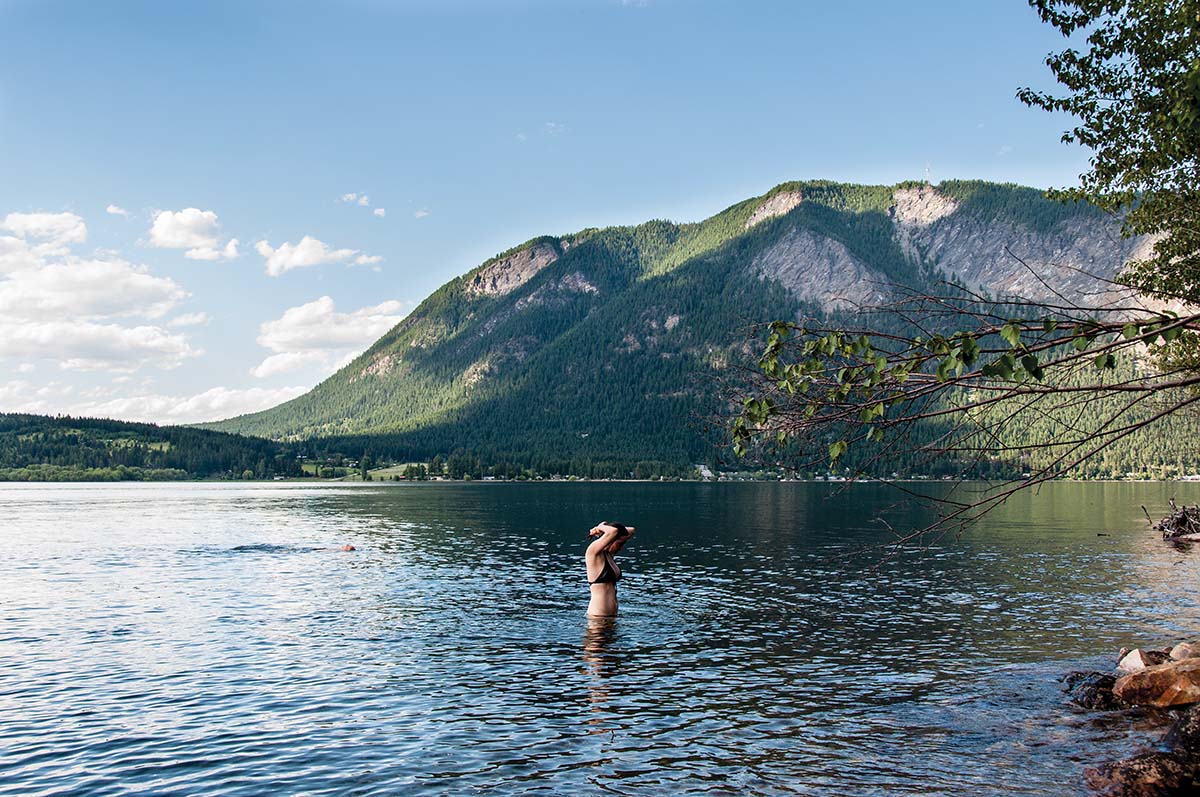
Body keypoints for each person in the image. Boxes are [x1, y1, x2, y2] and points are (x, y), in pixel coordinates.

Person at [585, 521, 634, 617]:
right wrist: (600, 526)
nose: (621, 548)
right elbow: (613, 531)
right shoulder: (593, 552)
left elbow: (632, 530)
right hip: (597, 617)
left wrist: (602, 529)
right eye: (620, 544)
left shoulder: (609, 554)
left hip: (612, 616)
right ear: (611, 539)